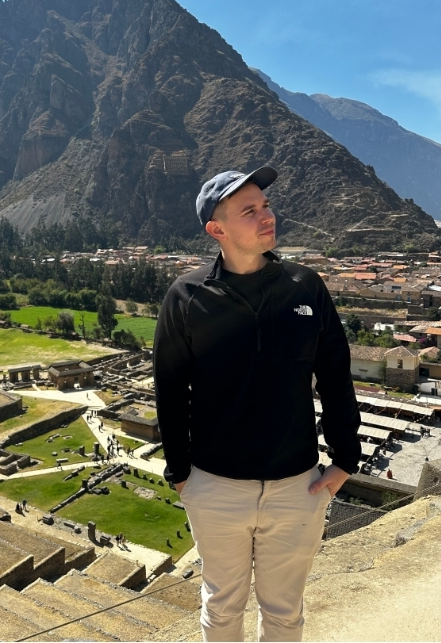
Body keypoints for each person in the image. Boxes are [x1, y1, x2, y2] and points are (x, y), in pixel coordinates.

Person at [155, 167, 361, 642]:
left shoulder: (305, 286)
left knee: (285, 614)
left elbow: (334, 374)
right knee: (222, 610)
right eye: (249, 210)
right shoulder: (187, 297)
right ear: (217, 229)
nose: (267, 216)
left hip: (298, 488)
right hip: (214, 486)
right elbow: (169, 388)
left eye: (265, 205)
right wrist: (181, 474)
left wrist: (344, 460)